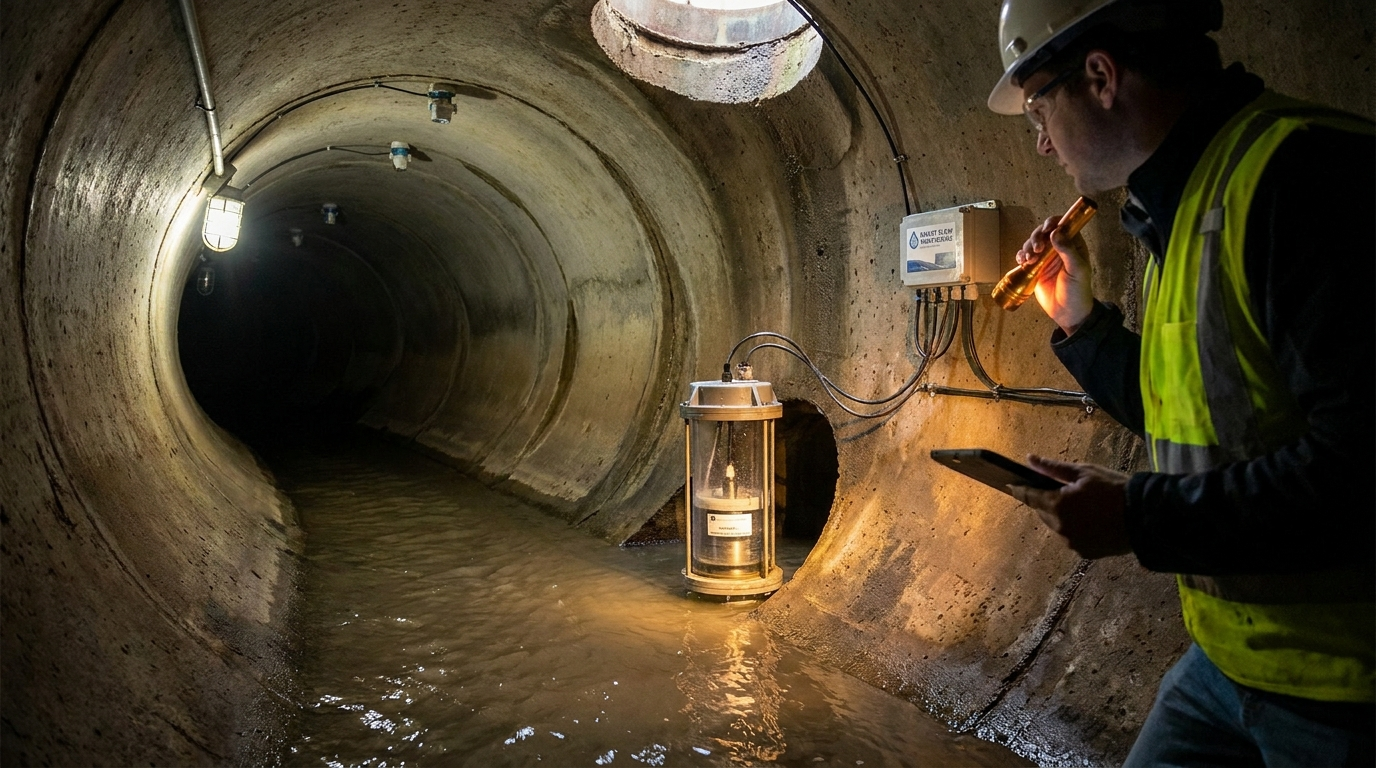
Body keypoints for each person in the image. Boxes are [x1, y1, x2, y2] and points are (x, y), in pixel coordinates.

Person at [984, 0, 1375, 764]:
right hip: (1232, 664)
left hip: (1349, 687)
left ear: (1099, 75)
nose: (1039, 143)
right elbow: (1185, 408)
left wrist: (1141, 516)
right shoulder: (1182, 203)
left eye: (1038, 107)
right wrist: (1081, 324)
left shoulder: (1301, 177)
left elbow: (1358, 466)